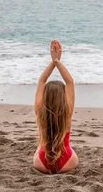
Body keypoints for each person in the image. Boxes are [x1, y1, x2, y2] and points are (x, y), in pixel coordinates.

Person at [33, 40, 78, 173]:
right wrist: (57, 61)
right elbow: (70, 81)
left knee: (39, 148)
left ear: (45, 95)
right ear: (63, 96)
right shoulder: (67, 111)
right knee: (70, 150)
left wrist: (52, 62)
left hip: (42, 161)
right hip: (67, 161)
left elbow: (41, 80)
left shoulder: (40, 110)